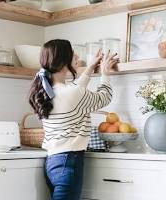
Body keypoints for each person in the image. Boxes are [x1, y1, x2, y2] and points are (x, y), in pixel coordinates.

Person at [29, 39, 118, 200]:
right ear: (63, 61)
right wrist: (105, 72)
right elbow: (104, 97)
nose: (76, 55)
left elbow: (74, 90)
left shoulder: (48, 92)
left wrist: (90, 68)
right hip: (69, 162)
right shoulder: (71, 93)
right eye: (72, 52)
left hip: (52, 162)